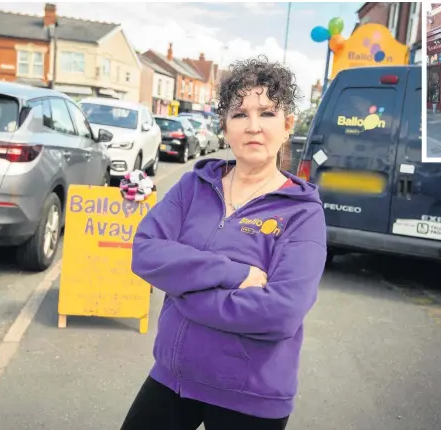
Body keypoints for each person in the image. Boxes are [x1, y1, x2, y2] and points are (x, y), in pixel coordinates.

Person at [121, 56, 327, 430]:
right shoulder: (193, 186)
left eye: (266, 113)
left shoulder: (302, 212)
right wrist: (232, 273)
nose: (253, 127)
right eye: (239, 114)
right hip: (173, 379)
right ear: (225, 126)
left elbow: (281, 313)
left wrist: (185, 293)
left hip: (251, 397)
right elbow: (146, 251)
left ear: (287, 125)